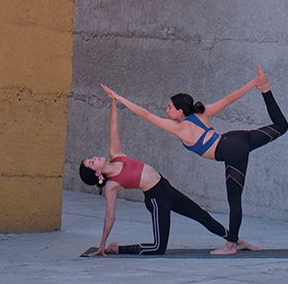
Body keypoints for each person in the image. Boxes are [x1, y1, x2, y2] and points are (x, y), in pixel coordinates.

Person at [102, 65, 288, 255]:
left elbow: (147, 115)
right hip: (236, 138)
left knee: (234, 200)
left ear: (180, 112)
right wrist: (254, 83)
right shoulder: (201, 113)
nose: (166, 110)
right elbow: (228, 99)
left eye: (169, 107)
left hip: (231, 150)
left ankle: (231, 245)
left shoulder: (180, 128)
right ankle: (265, 90)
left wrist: (120, 98)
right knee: (281, 126)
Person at [80, 96, 236, 256]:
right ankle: (116, 249)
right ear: (97, 173)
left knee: (201, 215)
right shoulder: (111, 185)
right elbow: (109, 216)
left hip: (166, 188)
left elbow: (113, 128)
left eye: (91, 159)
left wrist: (113, 101)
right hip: (157, 200)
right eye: (91, 163)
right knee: (158, 248)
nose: (94, 158)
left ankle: (234, 240)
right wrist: (102, 244)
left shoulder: (116, 155)